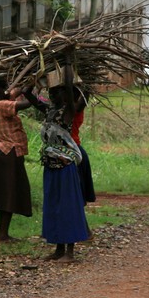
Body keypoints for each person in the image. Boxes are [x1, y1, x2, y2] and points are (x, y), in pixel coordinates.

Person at [39, 65, 90, 262]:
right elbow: (32, 96)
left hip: (66, 165)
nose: (53, 95)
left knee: (68, 206)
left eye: (57, 91)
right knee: (54, 205)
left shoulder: (69, 111)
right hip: (51, 165)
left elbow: (72, 90)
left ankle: (70, 251)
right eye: (51, 91)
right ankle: (58, 248)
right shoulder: (49, 110)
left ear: (65, 94)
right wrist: (33, 81)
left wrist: (69, 63)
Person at [0, 75, 36, 243]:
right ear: (1, 90)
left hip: (6, 152)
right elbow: (26, 104)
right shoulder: (2, 105)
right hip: (10, 153)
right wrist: (35, 89)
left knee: (8, 193)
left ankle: (3, 234)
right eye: (6, 86)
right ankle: (2, 235)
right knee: (8, 194)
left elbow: (12, 94)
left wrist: (21, 87)